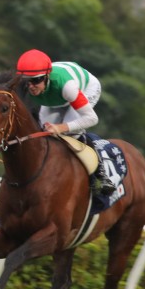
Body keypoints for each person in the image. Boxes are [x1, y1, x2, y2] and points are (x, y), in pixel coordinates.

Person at [15, 48, 116, 195]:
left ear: (47, 77)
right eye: (27, 81)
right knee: (43, 133)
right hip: (55, 97)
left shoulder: (67, 86)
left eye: (36, 80)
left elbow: (92, 118)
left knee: (71, 133)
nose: (31, 86)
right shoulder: (24, 86)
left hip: (84, 88)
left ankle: (100, 175)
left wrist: (61, 127)